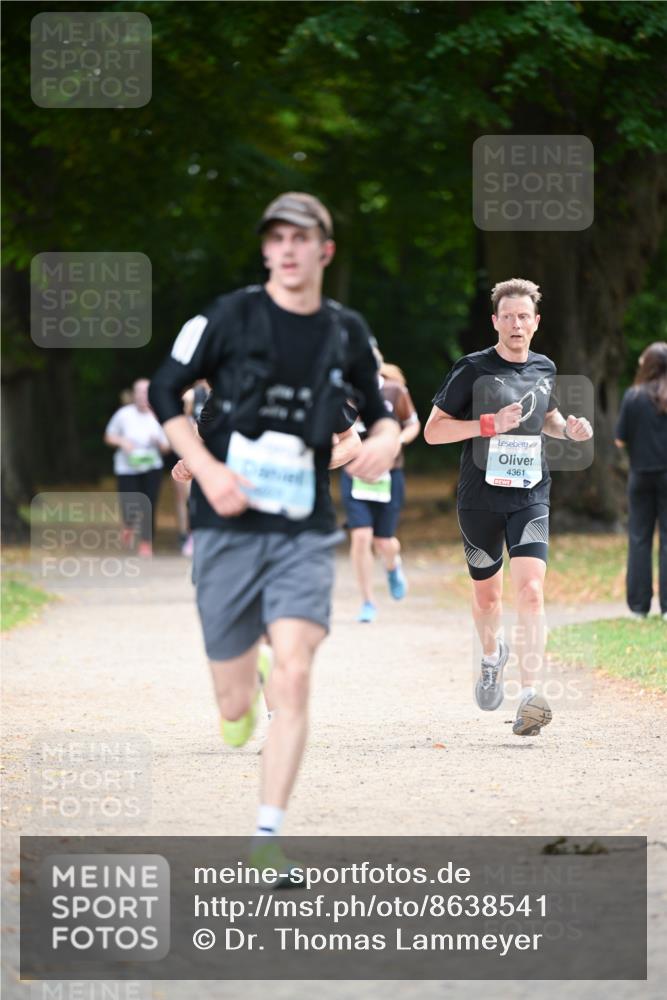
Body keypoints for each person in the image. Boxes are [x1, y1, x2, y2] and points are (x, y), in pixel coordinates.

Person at [148, 192, 399, 868]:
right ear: (265, 249)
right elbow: (165, 390)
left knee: (294, 674)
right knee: (235, 704)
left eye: (301, 237)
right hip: (226, 529)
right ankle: (240, 690)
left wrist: (379, 442)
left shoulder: (345, 330)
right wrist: (205, 468)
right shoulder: (225, 316)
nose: (287, 249)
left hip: (301, 532)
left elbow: (378, 410)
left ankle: (266, 835)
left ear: (325, 249)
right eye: (276, 238)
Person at [424, 278, 593, 736]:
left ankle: (529, 696)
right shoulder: (472, 369)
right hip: (479, 499)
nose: (516, 324)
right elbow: (433, 432)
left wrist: (569, 429)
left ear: (536, 323)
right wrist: (487, 424)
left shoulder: (544, 367)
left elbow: (549, 418)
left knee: (532, 591)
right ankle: (491, 655)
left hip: (530, 496)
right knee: (488, 596)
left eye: (524, 317)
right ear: (494, 321)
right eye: (508, 316)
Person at [340, 349, 420, 622]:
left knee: (384, 541)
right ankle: (367, 602)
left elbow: (413, 424)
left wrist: (394, 442)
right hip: (355, 474)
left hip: (389, 473)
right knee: (360, 536)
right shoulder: (343, 394)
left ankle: (392, 565)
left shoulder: (394, 391)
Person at [614, 341, 667, 620]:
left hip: (641, 476)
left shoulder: (633, 397)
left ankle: (638, 607)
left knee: (639, 539)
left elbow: (620, 439)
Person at [104, 378, 170, 557]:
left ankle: (146, 543)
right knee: (129, 504)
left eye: (146, 392)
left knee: (149, 504)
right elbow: (109, 436)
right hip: (127, 467)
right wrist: (122, 442)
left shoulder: (159, 415)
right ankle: (128, 524)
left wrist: (158, 442)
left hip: (151, 466)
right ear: (134, 395)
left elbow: (167, 447)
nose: (143, 396)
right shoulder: (123, 414)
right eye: (139, 392)